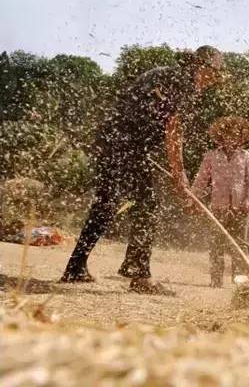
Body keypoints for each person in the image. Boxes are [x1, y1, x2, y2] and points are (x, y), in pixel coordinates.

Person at [60, 46, 224, 295]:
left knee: (107, 204)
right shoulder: (184, 85)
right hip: (127, 145)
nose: (212, 82)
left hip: (112, 141)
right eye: (213, 74)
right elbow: (174, 133)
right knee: (147, 205)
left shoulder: (166, 75)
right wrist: (180, 179)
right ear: (202, 68)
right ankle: (139, 275)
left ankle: (76, 266)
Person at [191, 116, 249, 288]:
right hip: (218, 209)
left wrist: (247, 205)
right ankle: (216, 281)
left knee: (240, 248)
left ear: (241, 137)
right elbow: (201, 180)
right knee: (216, 245)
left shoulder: (246, 157)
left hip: (241, 210)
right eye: (228, 134)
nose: (231, 137)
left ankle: (240, 283)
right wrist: (193, 198)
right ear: (221, 137)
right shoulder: (211, 157)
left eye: (236, 134)